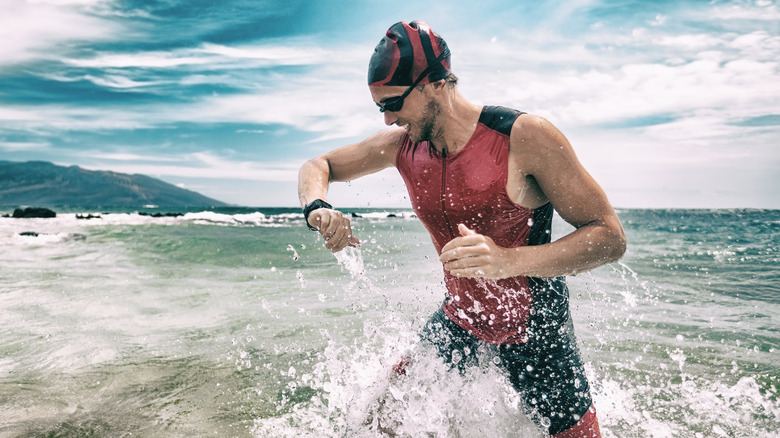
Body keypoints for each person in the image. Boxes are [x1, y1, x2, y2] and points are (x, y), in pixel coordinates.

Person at [297, 20, 626, 437]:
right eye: (381, 107)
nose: (388, 119)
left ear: (435, 83)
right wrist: (319, 207)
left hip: (535, 329)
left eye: (394, 103)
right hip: (462, 317)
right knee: (377, 422)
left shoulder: (523, 136)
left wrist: (508, 261)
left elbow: (609, 236)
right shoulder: (403, 146)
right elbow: (317, 166)